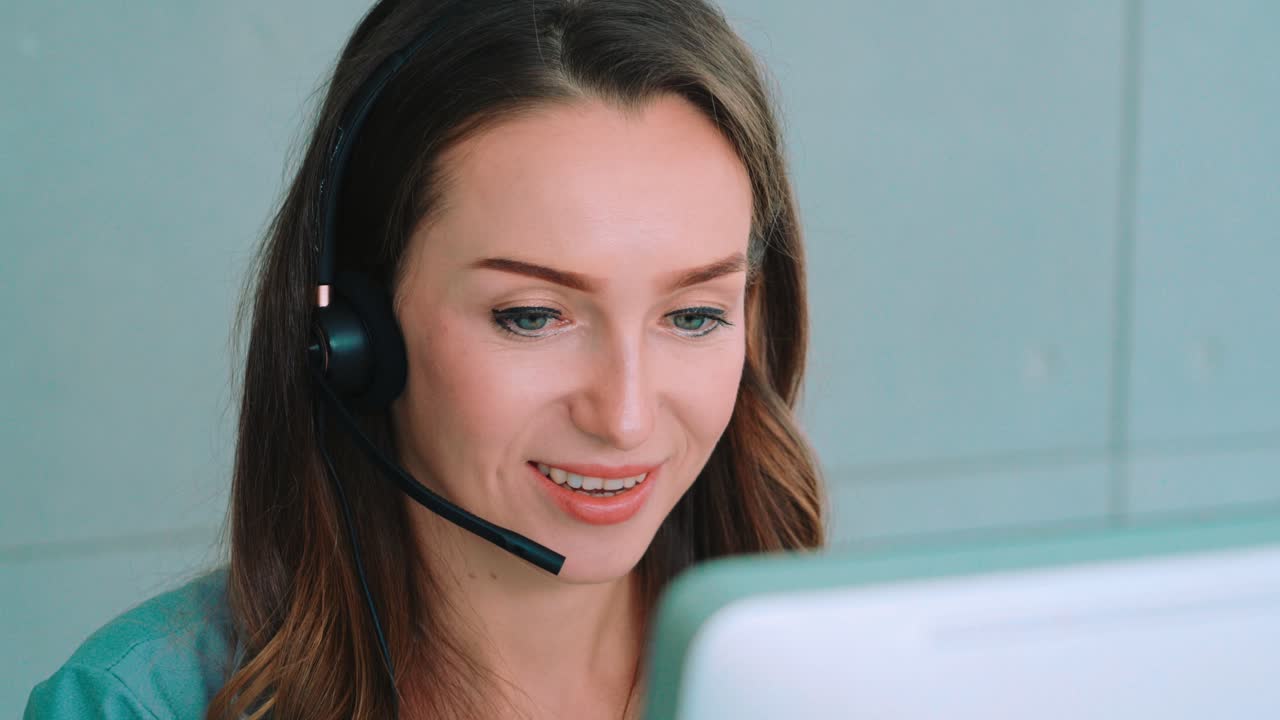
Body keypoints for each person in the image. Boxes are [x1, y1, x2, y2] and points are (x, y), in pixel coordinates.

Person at [25, 0, 824, 718]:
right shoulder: (136, 706)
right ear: (356, 335)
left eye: (692, 316)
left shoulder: (833, 668)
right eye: (531, 317)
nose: (625, 418)